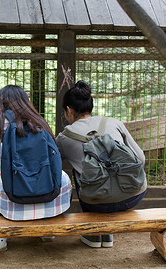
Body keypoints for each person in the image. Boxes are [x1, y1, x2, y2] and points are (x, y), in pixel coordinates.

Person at [56, 80, 147, 249]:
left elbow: (53, 164)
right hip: (133, 195)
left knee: (79, 171)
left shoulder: (64, 137)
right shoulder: (114, 123)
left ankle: (94, 235)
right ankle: (107, 234)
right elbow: (140, 159)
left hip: (97, 202)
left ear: (69, 110)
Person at [0, 85, 73, 251]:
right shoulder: (38, 120)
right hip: (49, 194)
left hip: (11, 192)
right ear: (25, 101)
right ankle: (47, 231)